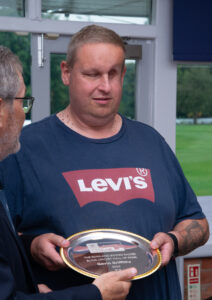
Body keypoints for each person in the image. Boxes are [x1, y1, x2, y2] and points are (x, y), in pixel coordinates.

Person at [0, 25, 209, 299]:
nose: (105, 86)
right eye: (92, 74)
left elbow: (197, 223)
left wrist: (175, 240)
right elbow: (7, 245)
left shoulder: (151, 142)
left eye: (114, 73)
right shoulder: (21, 147)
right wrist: (33, 245)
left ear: (124, 74)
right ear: (66, 72)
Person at [0, 45, 137, 300]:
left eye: (113, 74)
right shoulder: (22, 155)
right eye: (23, 102)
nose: (22, 114)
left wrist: (32, 246)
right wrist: (96, 294)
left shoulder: (150, 140)